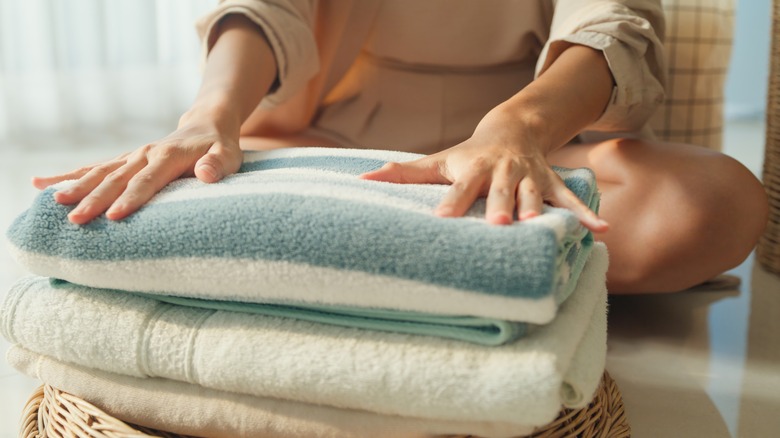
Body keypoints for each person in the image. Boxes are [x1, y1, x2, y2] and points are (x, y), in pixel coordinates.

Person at [31, 0, 768, 294]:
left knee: (710, 205)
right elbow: (263, 9)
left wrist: (514, 130)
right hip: (340, 141)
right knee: (166, 196)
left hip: (534, 139)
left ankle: (336, 266)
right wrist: (208, 117)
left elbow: (612, 24)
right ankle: (471, 267)